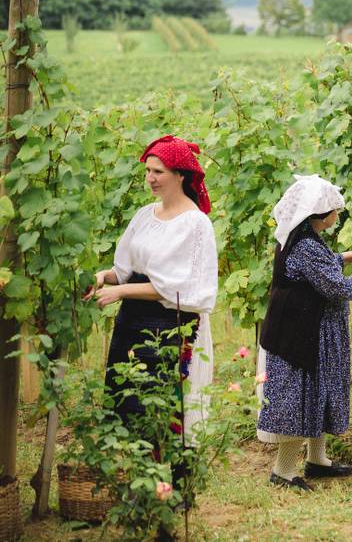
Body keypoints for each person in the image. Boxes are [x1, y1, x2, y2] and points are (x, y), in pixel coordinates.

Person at [86, 135, 218, 512]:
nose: (151, 178)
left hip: (169, 323)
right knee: (128, 401)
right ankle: (144, 484)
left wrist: (124, 292)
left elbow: (183, 289)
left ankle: (177, 492)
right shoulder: (145, 215)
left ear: (180, 175)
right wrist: (103, 277)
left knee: (165, 407)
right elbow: (123, 268)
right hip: (132, 321)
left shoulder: (195, 225)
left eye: (158, 171)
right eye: (147, 171)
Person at [256, 175, 352, 490]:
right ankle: (283, 471)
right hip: (301, 336)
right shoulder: (306, 244)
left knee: (318, 392)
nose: (338, 215)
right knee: (302, 397)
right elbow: (336, 287)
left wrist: (351, 255)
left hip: (306, 331)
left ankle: (316, 461)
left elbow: (323, 263)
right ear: (320, 215)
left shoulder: (299, 236)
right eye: (335, 210)